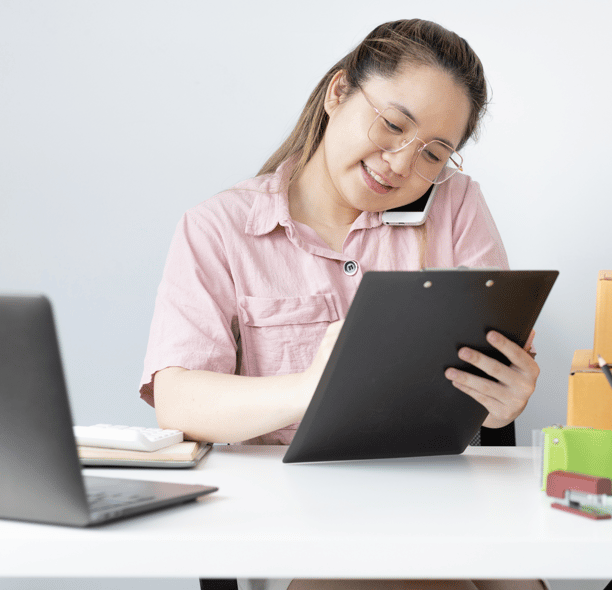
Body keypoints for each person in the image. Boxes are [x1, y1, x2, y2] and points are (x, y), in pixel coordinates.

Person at [139, 19, 546, 590]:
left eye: (434, 153)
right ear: (338, 93)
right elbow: (178, 400)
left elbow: (496, 367)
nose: (402, 165)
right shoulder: (219, 228)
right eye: (392, 124)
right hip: (297, 519)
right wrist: (312, 387)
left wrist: (505, 402)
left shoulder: (455, 206)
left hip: (442, 504)